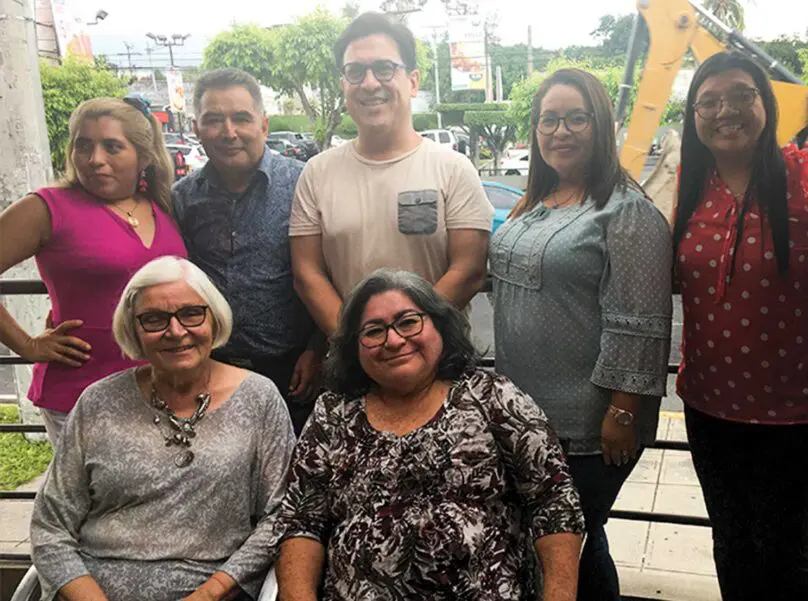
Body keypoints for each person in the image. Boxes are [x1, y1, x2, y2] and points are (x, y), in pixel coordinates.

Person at [273, 269, 584, 601]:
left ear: (440, 326)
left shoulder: (492, 397)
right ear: (355, 347)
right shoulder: (333, 413)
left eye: (408, 322)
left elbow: (554, 502)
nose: (393, 341)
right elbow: (300, 522)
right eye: (374, 331)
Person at [490, 68, 673, 601]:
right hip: (524, 420)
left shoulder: (626, 212)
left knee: (574, 546)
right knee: (546, 546)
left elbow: (638, 323)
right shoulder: (535, 203)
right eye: (549, 119)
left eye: (576, 118)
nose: (561, 131)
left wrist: (622, 413)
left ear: (601, 126)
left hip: (590, 429)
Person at [672, 52, 808, 601]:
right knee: (731, 542)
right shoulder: (689, 182)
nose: (726, 110)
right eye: (709, 101)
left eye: (741, 96)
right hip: (709, 405)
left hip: (798, 412)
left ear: (766, 105)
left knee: (784, 545)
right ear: (694, 115)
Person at [31, 256, 295, 601]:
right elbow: (51, 525)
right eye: (154, 319)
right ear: (134, 331)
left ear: (214, 319)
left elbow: (280, 515)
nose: (175, 331)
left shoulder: (259, 398)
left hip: (212, 591)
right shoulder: (98, 402)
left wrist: (210, 593)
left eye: (191, 314)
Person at [290, 13, 493, 334]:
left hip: (439, 360)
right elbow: (307, 272)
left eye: (384, 68)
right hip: (352, 364)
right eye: (355, 72)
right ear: (344, 85)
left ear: (413, 81)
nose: (370, 83)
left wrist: (407, 335)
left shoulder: (453, 169)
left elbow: (468, 269)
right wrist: (356, 343)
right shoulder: (317, 173)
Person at [0, 97, 187, 447]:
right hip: (81, 393)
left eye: (112, 147)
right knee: (93, 501)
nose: (95, 159)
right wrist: (27, 345)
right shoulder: (47, 208)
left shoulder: (162, 205)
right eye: (82, 145)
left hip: (161, 389)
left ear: (143, 157)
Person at [173, 68, 320, 434]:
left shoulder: (304, 183)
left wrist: (319, 349)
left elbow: (328, 269)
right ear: (196, 128)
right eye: (213, 120)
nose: (228, 132)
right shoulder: (183, 198)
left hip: (295, 369)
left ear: (264, 125)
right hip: (210, 367)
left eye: (241, 118)